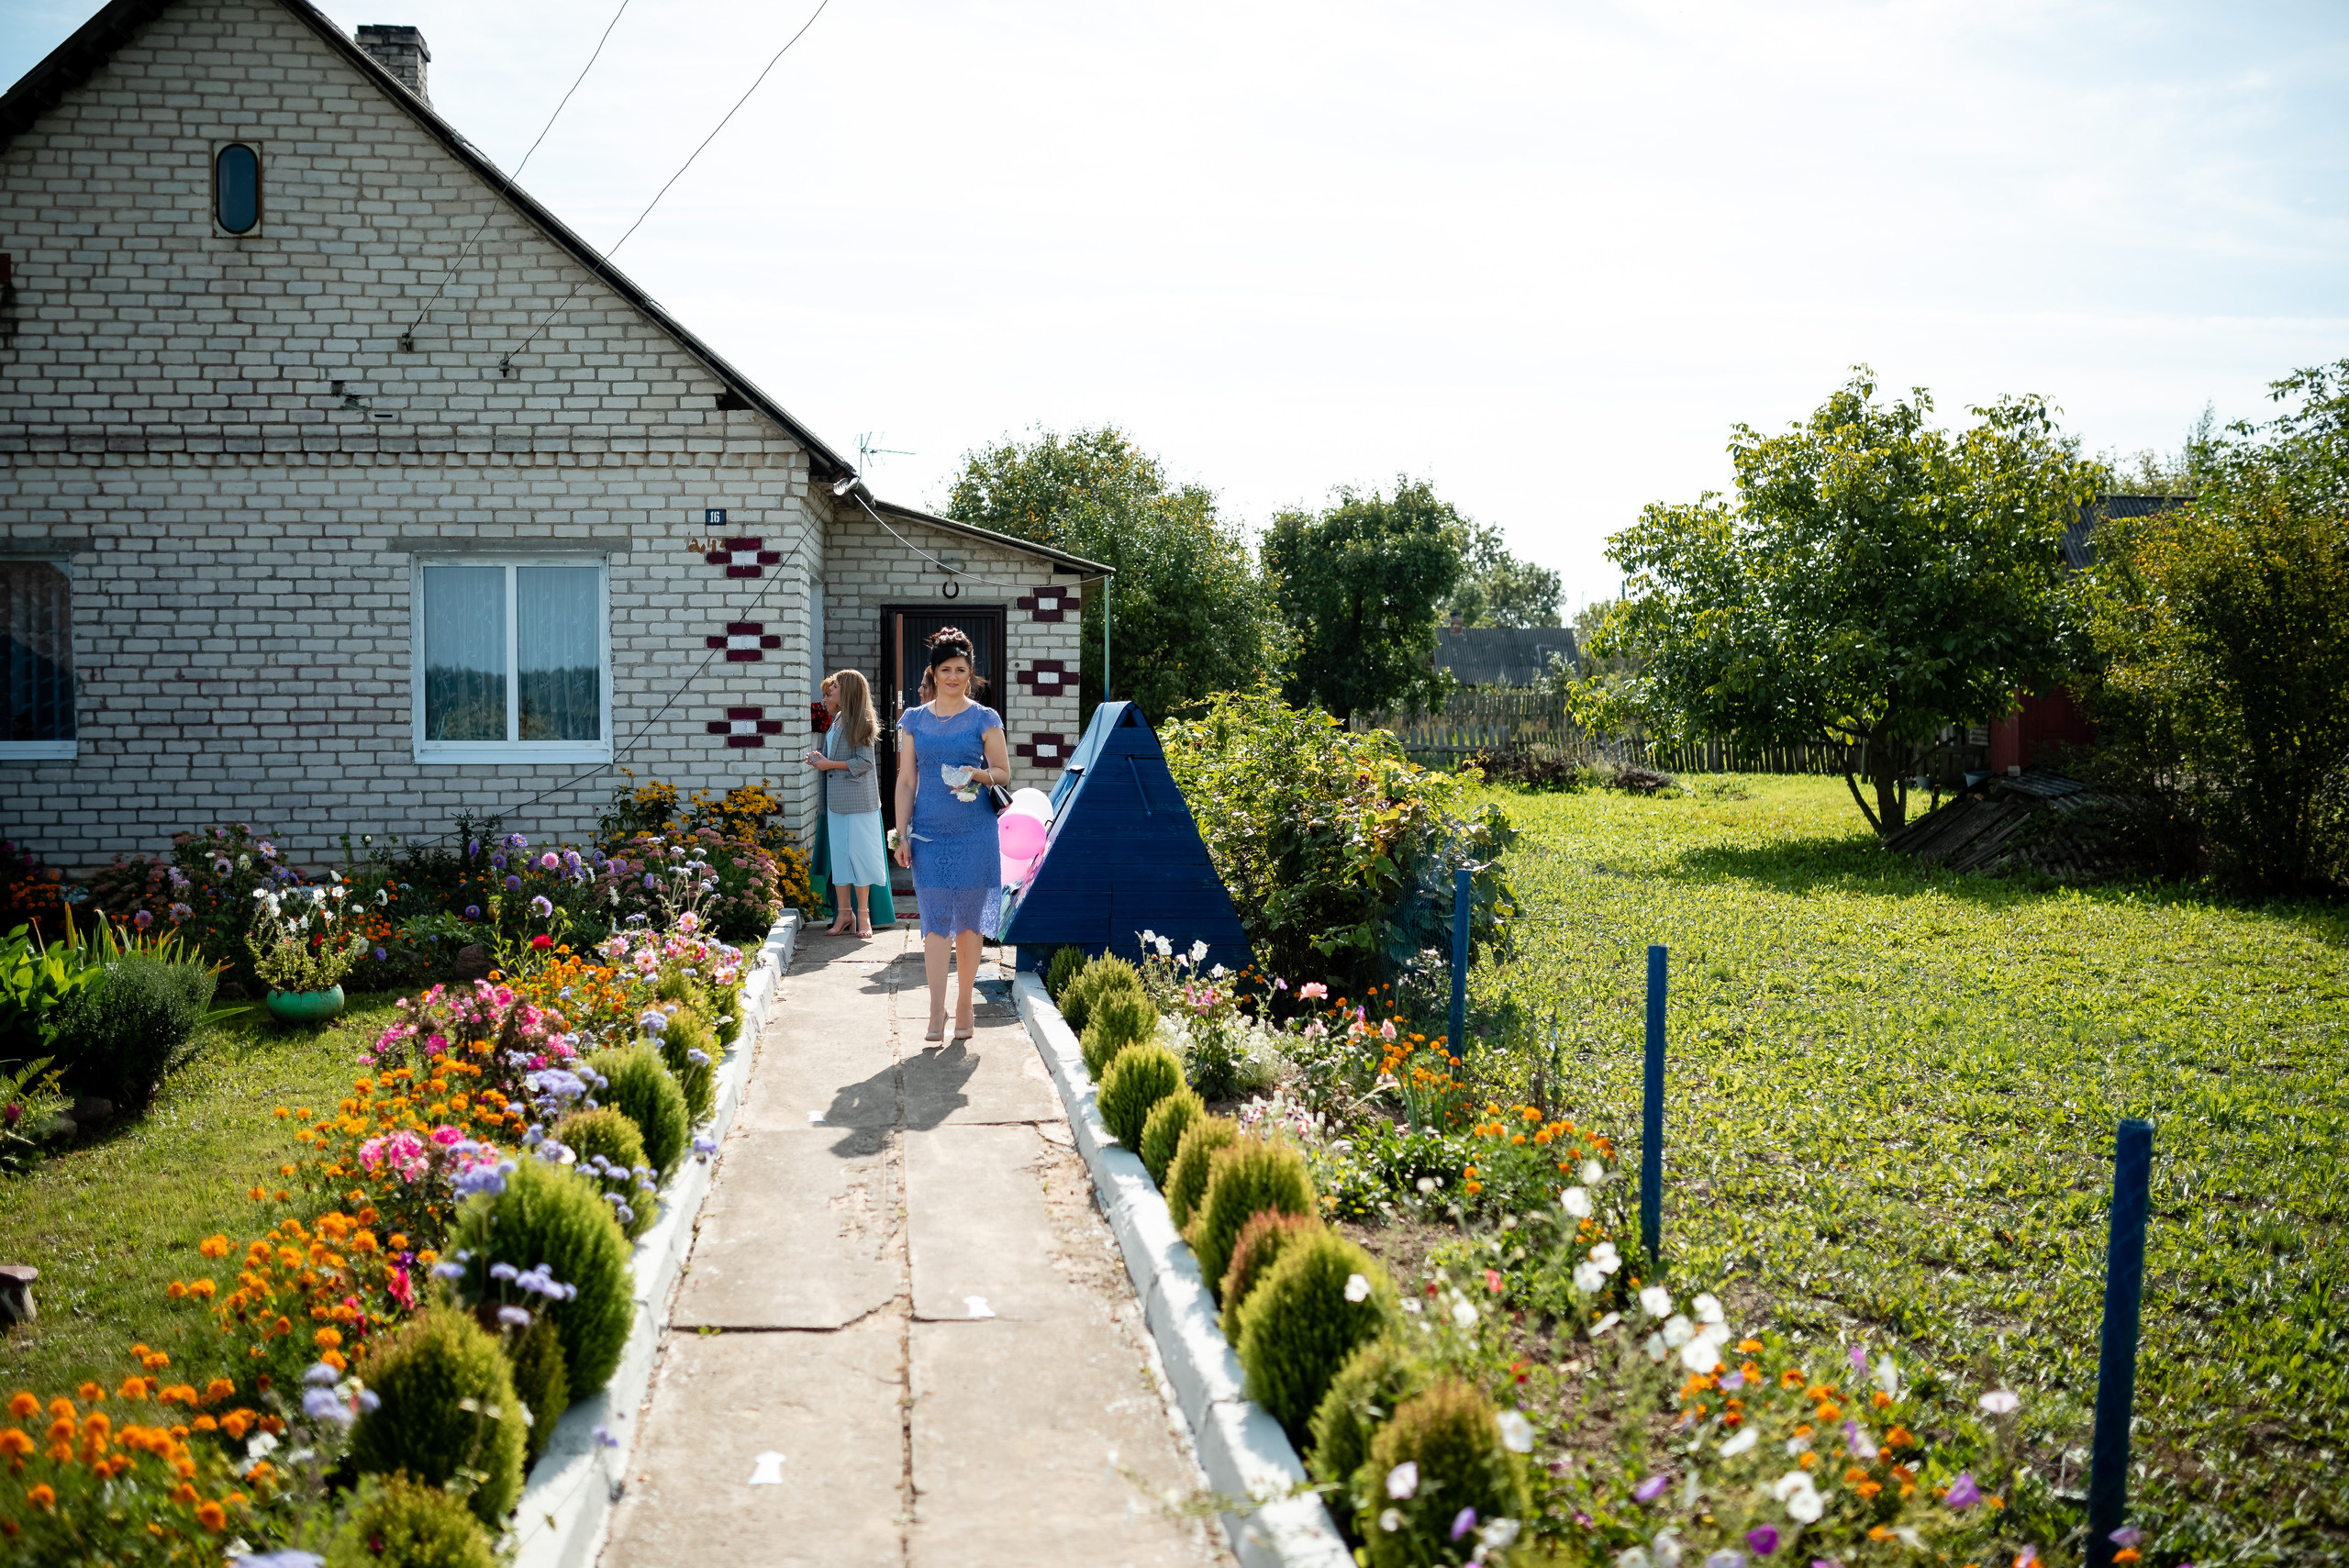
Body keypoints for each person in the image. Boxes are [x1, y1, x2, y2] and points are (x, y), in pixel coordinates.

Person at [892, 628, 1012, 1040]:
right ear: (934, 672)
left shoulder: (984, 718)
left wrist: (977, 774)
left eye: (961, 669)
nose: (954, 677)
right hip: (929, 835)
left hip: (975, 833)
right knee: (935, 925)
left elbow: (1003, 773)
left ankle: (964, 1006)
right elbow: (906, 781)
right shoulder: (913, 720)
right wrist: (901, 833)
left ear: (970, 673)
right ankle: (935, 1010)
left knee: (968, 925)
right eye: (946, 670)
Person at [805, 670, 885, 938]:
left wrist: (829, 764)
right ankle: (844, 914)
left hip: (860, 803)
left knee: (859, 857)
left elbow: (865, 763)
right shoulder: (837, 720)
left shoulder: (860, 721)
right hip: (836, 802)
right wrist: (821, 758)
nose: (829, 692)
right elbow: (837, 757)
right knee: (840, 858)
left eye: (834, 687)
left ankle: (863, 916)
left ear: (848, 690)